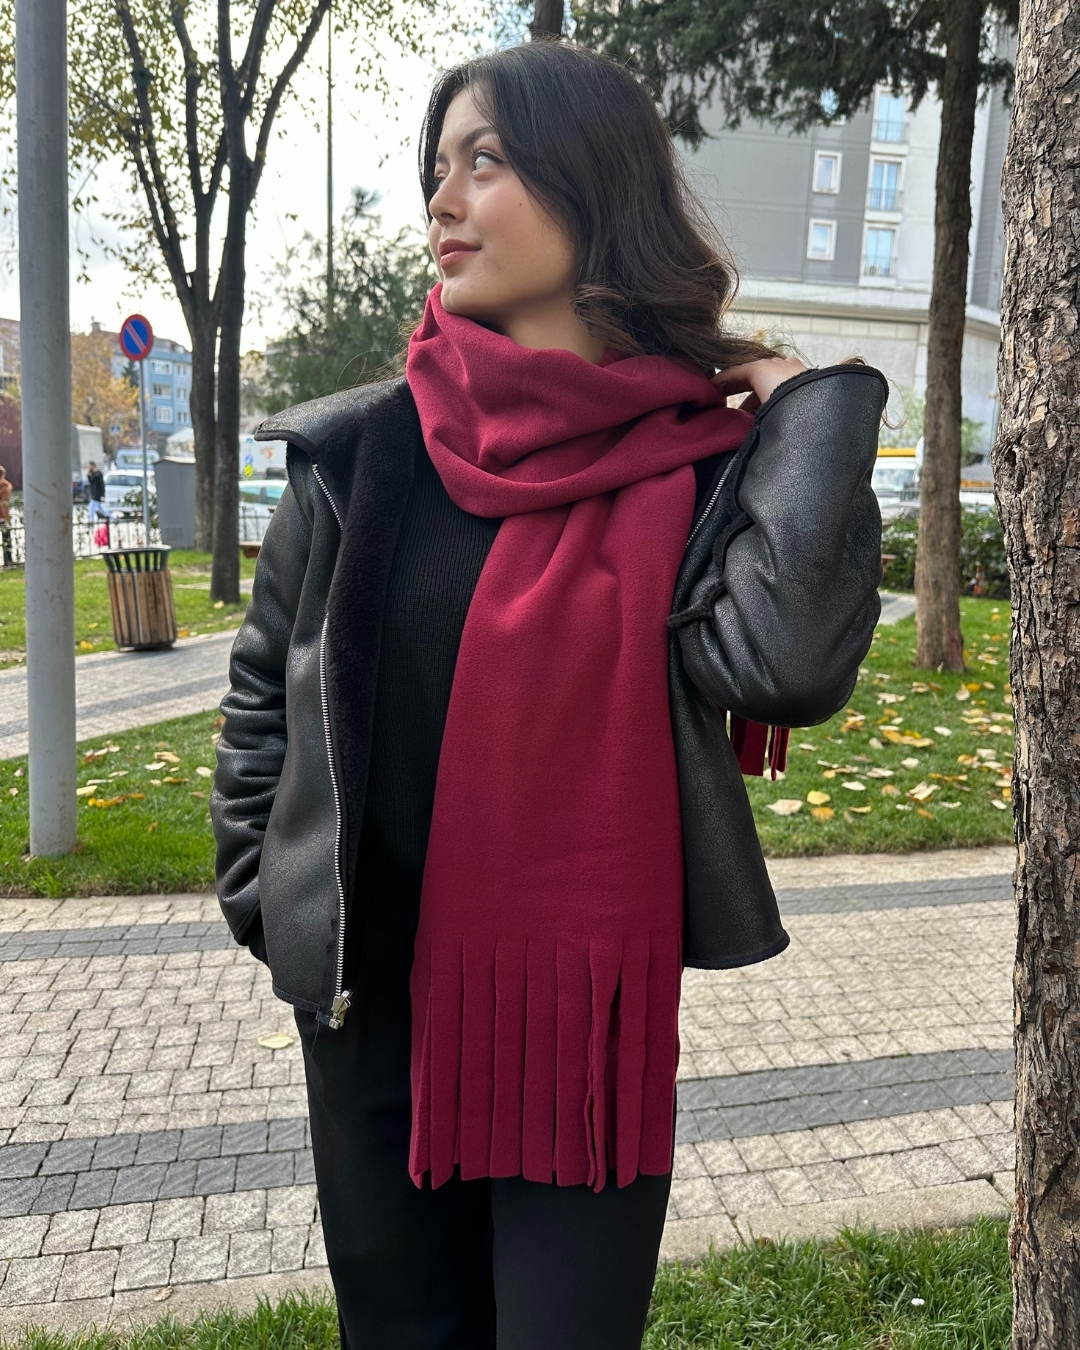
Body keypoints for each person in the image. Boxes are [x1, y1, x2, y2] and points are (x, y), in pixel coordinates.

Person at [211, 41, 886, 1350]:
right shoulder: (364, 453)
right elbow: (261, 693)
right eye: (437, 168)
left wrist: (807, 416)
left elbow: (786, 667)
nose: (442, 200)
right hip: (371, 1011)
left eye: (486, 161)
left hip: (581, 1041)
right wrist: (264, 891)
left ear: (592, 185)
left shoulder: (697, 465)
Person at [0, 464, 11, 566]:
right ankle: (8, 560)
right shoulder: (5, 487)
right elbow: (4, 504)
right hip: (2, 517)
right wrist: (7, 519)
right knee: (6, 539)